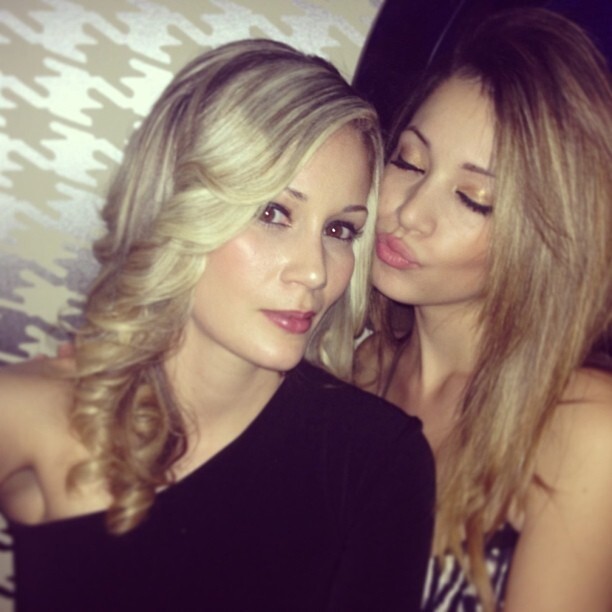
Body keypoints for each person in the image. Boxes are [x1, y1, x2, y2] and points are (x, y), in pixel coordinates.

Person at [0, 39, 435, 611]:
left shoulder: (376, 461)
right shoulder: (33, 412)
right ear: (178, 203)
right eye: (273, 213)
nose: (313, 272)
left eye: (339, 231)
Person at [355, 8, 612, 611]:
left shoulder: (583, 430)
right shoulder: (360, 369)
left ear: (548, 237)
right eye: (409, 161)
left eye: (474, 199)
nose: (409, 212)